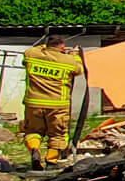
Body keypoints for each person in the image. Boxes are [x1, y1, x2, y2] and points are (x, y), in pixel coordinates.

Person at [21, 34, 83, 169]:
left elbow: (30, 50)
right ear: (62, 46)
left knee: (32, 131)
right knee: (58, 134)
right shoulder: (68, 61)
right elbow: (79, 70)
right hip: (58, 105)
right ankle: (51, 162)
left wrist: (46, 47)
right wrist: (74, 54)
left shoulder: (32, 55)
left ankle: (34, 150)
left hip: (34, 102)